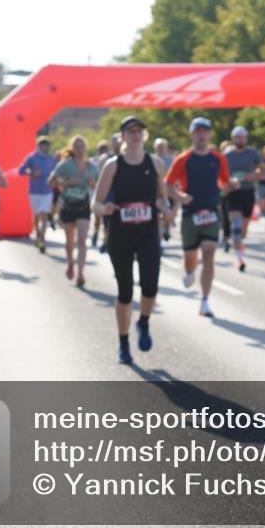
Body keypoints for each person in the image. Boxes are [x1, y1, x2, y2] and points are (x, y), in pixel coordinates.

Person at [92, 116, 172, 364]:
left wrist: (166, 207)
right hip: (121, 234)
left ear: (144, 136)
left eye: (139, 131)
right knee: (125, 292)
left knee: (150, 286)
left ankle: (144, 322)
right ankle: (123, 342)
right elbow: (95, 203)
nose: (136, 135)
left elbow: (160, 197)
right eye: (131, 132)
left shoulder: (155, 163)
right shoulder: (113, 166)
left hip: (148, 232)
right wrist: (103, 209)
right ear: (123, 137)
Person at [165, 117, 233, 317]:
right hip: (190, 214)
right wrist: (180, 196)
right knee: (189, 257)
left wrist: (231, 186)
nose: (201, 135)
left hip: (211, 212)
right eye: (198, 131)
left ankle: (204, 301)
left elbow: (225, 183)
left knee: (209, 251)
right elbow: (167, 185)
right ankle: (188, 271)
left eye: (205, 131)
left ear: (209, 134)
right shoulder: (183, 159)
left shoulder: (218, 159)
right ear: (192, 134)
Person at [50, 135, 99, 288]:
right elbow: (51, 182)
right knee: (70, 240)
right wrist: (67, 183)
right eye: (76, 146)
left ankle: (81, 273)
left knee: (82, 240)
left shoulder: (92, 167)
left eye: (82, 146)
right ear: (72, 148)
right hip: (68, 205)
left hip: (83, 206)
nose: (79, 149)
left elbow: (99, 187)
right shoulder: (65, 165)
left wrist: (93, 184)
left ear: (86, 148)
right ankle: (70, 262)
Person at [223, 126, 263, 271]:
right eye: (237, 137)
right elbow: (222, 173)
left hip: (248, 191)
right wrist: (229, 180)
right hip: (233, 192)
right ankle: (239, 258)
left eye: (243, 137)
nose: (240, 139)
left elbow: (261, 169)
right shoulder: (227, 155)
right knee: (236, 225)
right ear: (233, 138)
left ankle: (239, 245)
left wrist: (253, 175)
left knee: (243, 230)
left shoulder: (252, 153)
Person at [18, 136, 58, 252]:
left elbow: (56, 172)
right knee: (35, 214)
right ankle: (37, 233)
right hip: (34, 191)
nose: (45, 147)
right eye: (43, 144)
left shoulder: (52, 159)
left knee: (44, 214)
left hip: (47, 191)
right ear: (39, 146)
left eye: (47, 145)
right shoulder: (32, 158)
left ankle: (42, 239)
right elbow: (21, 171)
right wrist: (31, 172)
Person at [91, 139, 113, 249]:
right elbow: (95, 178)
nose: (103, 151)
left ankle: (106, 240)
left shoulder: (112, 159)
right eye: (101, 149)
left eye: (105, 149)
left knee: (107, 219)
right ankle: (95, 232)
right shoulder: (97, 161)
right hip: (99, 192)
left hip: (109, 192)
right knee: (97, 217)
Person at [154, 138, 175, 241]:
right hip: (157, 192)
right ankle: (158, 241)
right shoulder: (152, 160)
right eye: (158, 147)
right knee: (158, 217)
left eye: (162, 147)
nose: (160, 149)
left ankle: (167, 228)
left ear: (166, 148)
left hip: (169, 191)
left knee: (168, 213)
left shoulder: (172, 160)